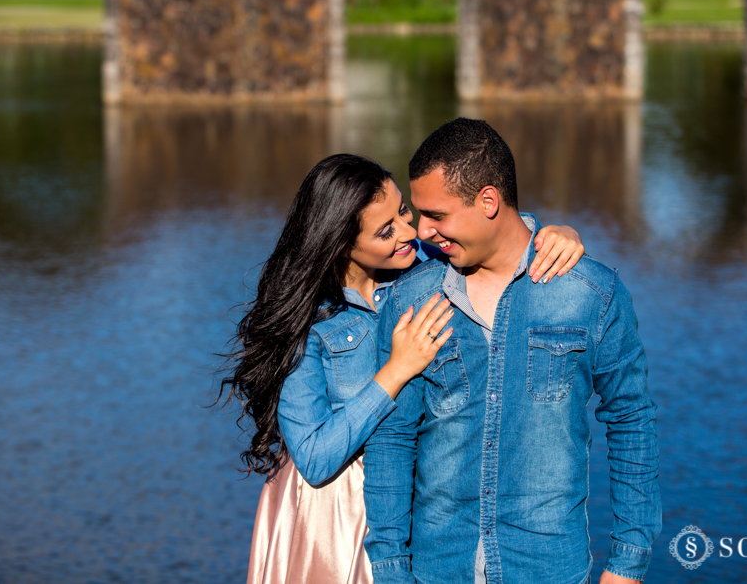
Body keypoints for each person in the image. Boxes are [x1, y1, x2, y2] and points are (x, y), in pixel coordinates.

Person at [218, 154, 586, 584]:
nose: (410, 232)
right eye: (385, 231)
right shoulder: (308, 324)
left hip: (422, 502)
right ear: (341, 244)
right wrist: (396, 370)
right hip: (338, 516)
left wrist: (551, 236)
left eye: (403, 212)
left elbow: (493, 234)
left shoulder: (425, 264)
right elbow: (315, 458)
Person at [363, 119, 662, 584]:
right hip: (438, 569)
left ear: (488, 201)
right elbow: (392, 442)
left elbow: (631, 421)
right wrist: (390, 570)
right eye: (419, 214)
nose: (421, 231)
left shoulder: (591, 294)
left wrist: (627, 563)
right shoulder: (410, 299)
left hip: (548, 569)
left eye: (436, 215)